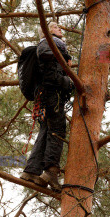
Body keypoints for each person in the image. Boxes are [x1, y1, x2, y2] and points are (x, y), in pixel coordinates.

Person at [20, 22, 74, 192]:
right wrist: (69, 83)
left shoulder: (50, 46)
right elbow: (51, 74)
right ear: (47, 31)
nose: (60, 29)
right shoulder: (50, 43)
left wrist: (64, 60)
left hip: (43, 95)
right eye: (56, 27)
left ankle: (31, 171)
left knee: (45, 130)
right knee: (57, 130)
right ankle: (51, 171)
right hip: (51, 94)